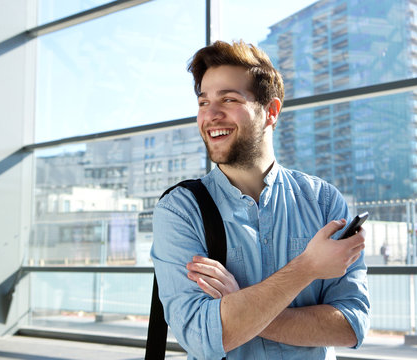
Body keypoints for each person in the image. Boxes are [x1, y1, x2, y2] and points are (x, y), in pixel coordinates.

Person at [151, 40, 370, 360]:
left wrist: (241, 306)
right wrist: (308, 267)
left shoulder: (323, 201)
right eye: (203, 102)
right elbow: (202, 335)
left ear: (271, 111)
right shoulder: (180, 210)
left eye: (229, 98)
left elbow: (351, 325)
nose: (210, 114)